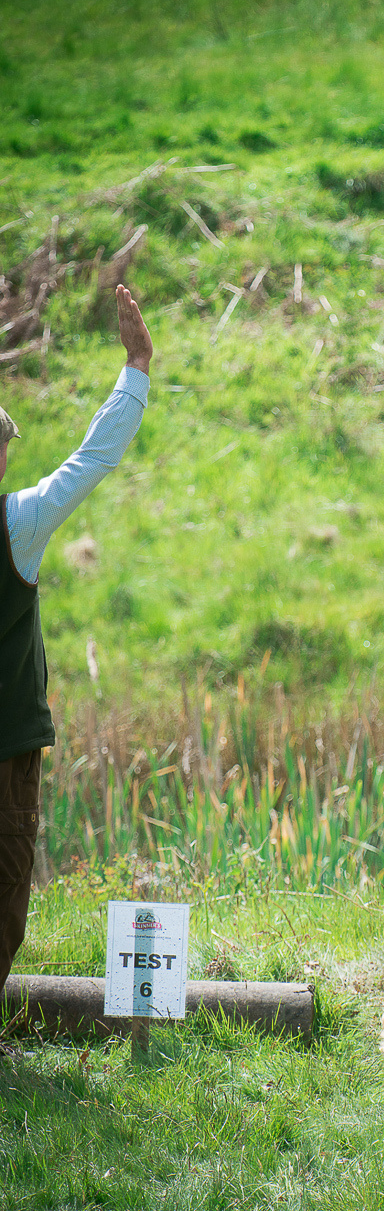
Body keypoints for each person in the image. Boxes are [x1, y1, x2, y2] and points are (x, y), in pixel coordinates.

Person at [0, 284, 153, 994]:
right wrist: (136, 366)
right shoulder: (16, 524)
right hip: (7, 740)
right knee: (5, 887)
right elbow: (92, 460)